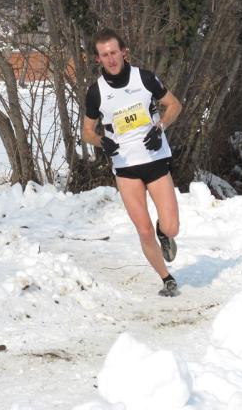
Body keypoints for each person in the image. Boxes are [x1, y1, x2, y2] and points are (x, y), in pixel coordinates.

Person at [82, 28, 183, 297]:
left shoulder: (145, 78)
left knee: (171, 226)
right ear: (98, 59)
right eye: (105, 55)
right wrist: (102, 141)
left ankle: (166, 235)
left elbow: (174, 105)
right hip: (125, 167)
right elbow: (87, 131)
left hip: (154, 158)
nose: (111, 58)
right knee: (143, 229)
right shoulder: (96, 92)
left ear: (124, 52)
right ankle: (166, 278)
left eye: (114, 52)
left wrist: (159, 127)